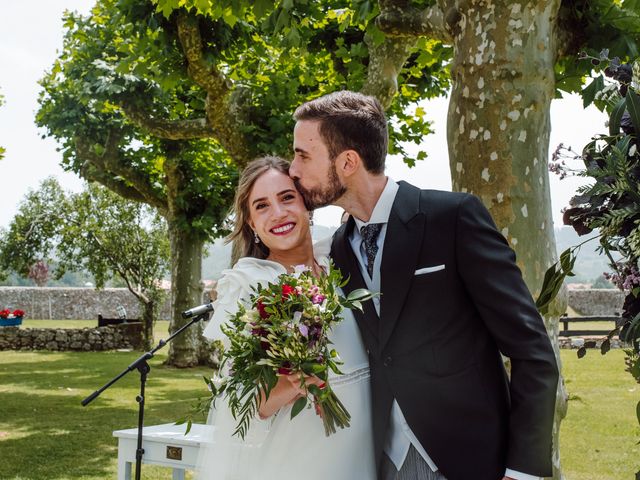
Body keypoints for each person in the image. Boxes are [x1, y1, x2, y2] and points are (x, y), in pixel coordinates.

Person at [289, 91, 560, 480]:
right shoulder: (338, 250)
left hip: (472, 459)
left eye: (303, 155)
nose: (293, 169)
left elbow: (533, 352)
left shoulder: (453, 218)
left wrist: (523, 471)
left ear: (347, 162)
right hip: (382, 461)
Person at [196, 156, 376, 480]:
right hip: (298, 458)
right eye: (262, 206)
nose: (278, 214)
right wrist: (294, 384)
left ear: (306, 202)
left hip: (366, 453)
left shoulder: (342, 262)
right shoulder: (248, 287)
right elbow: (242, 407)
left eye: (287, 197)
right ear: (251, 223)